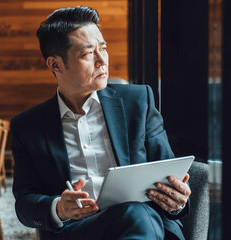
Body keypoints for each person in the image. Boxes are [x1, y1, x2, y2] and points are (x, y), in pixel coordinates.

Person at [11, 6, 191, 240]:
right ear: (55, 65)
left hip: (146, 222)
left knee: (134, 213)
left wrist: (177, 201)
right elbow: (25, 202)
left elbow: (168, 173)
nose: (101, 61)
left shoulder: (138, 102)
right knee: (133, 214)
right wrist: (59, 208)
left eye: (103, 49)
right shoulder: (28, 126)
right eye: (87, 54)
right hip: (77, 231)